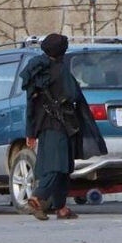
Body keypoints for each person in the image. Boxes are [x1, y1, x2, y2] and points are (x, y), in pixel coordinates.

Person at [18, 33, 107, 221]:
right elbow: (73, 95)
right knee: (57, 166)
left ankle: (61, 208)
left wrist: (30, 132)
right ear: (62, 52)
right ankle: (37, 198)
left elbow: (31, 105)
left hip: (43, 125)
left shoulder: (35, 72)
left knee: (64, 166)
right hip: (61, 124)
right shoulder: (60, 70)